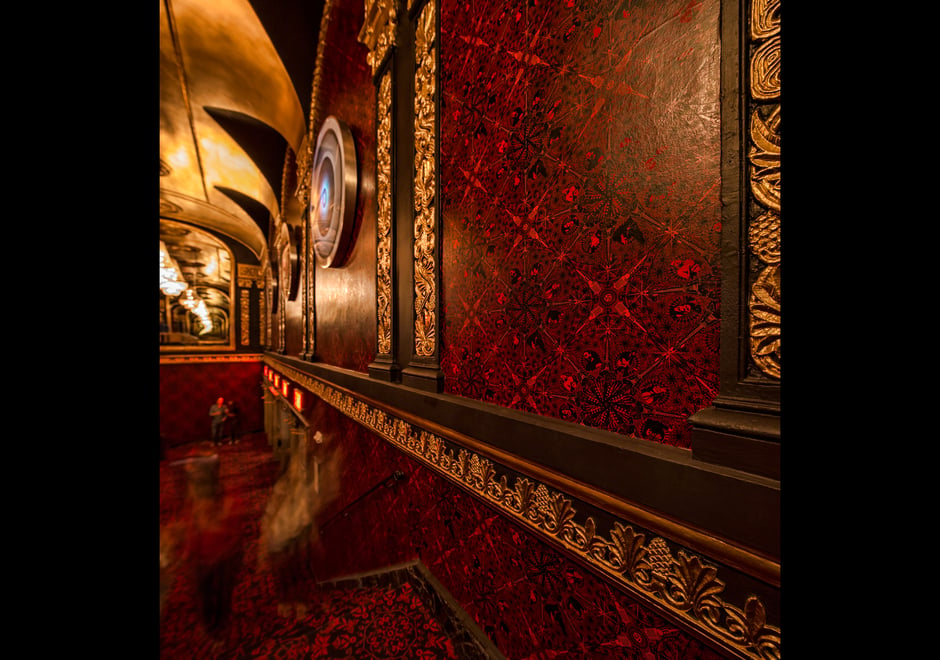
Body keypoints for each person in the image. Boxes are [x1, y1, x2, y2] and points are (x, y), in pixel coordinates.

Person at [171, 446, 247, 648]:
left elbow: (234, 532)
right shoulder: (194, 497)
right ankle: (210, 627)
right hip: (201, 561)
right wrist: (188, 550)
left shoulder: (228, 501)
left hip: (223, 560)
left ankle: (219, 630)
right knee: (204, 596)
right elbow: (191, 524)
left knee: (221, 598)